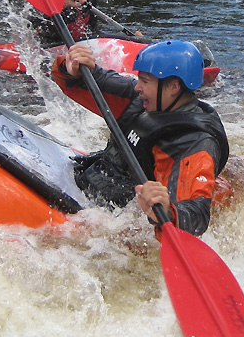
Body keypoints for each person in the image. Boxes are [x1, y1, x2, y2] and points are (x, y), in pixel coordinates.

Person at [51, 39, 228, 236]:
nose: (137, 87)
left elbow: (196, 215)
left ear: (174, 87)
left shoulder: (194, 143)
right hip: (91, 184)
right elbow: (90, 81)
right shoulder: (141, 100)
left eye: (145, 81)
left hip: (112, 217)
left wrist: (167, 211)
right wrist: (72, 69)